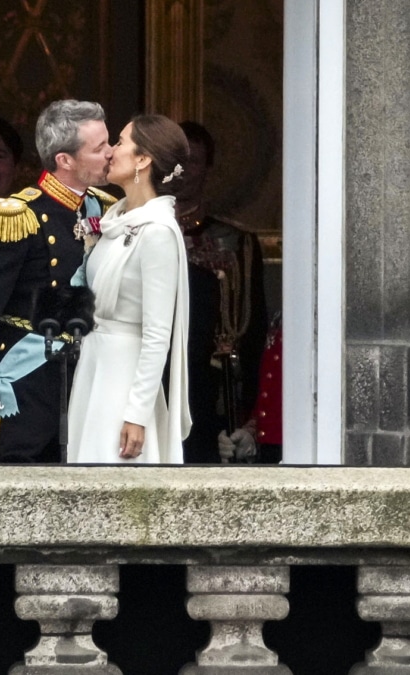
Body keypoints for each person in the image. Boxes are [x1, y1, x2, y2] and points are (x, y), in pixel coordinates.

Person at [0, 99, 115, 463]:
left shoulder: (104, 208)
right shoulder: (17, 216)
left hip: (83, 384)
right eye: (100, 147)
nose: (111, 153)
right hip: (23, 389)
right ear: (65, 160)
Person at [66, 115, 192, 464]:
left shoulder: (157, 232)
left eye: (120, 142)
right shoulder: (117, 221)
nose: (110, 152)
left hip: (124, 379)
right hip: (96, 366)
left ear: (142, 159)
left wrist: (136, 413)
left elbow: (157, 333)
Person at [176, 121, 270, 464]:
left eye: (193, 161)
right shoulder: (136, 232)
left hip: (211, 386)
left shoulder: (236, 243)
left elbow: (253, 328)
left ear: (208, 169)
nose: (183, 171)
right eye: (176, 160)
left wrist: (251, 414)